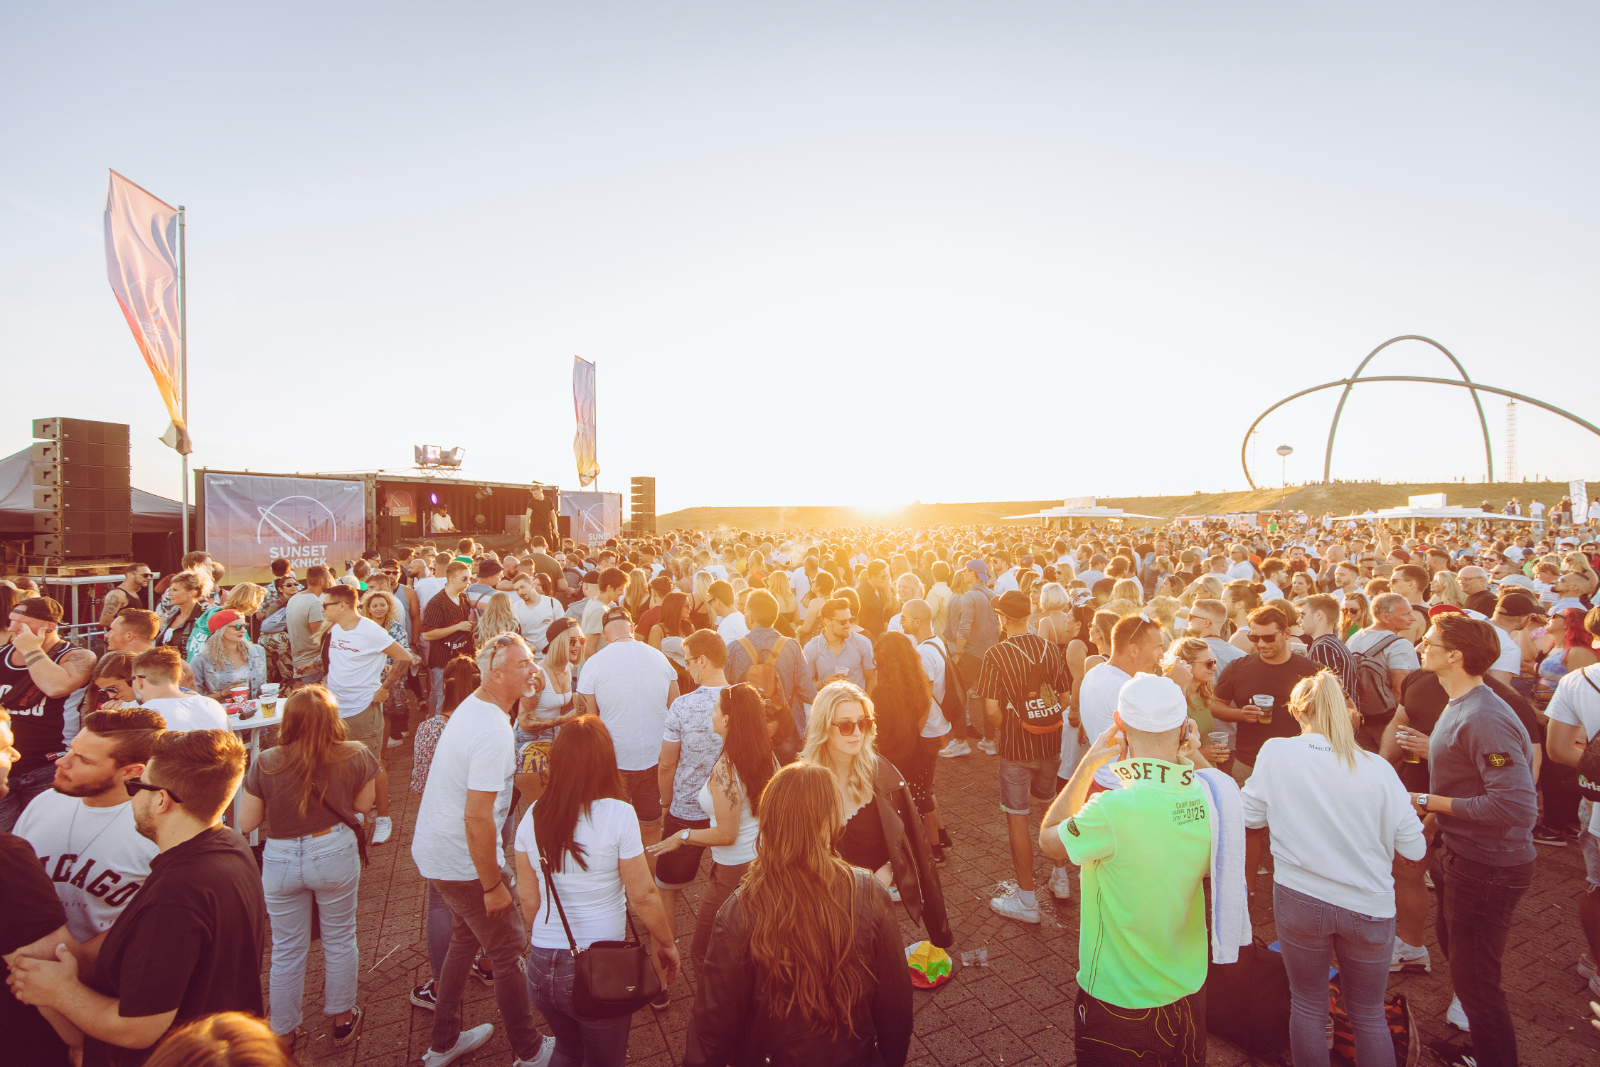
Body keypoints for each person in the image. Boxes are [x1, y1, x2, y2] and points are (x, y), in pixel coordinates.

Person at [8, 729, 267, 1067]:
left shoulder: (176, 894)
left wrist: (61, 991)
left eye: (136, 786)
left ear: (160, 800)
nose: (131, 797)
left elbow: (137, 1029)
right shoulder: (229, 846)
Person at [1040, 673, 1239, 1067]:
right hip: (1188, 989)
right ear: (1185, 729)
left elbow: (1049, 839)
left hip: (1121, 999)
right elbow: (1214, 782)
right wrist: (1193, 752)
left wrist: (1089, 763)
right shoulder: (1213, 797)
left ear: (1119, 723)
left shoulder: (1111, 810)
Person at [1241, 672, 1426, 1067]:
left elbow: (1250, 817)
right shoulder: (1378, 768)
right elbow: (1414, 847)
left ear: (1296, 711)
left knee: (1308, 1004)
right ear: (1350, 714)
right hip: (1369, 905)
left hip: (1299, 898)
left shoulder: (1276, 752)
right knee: (1368, 1013)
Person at [683, 762, 913, 1067]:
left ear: (769, 821)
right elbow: (896, 1006)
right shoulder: (869, 892)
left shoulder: (739, 911)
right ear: (830, 821)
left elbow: (711, 1031)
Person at [410, 633, 553, 1067]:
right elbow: (477, 817)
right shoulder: (491, 729)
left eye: (532, 661)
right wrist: (492, 884)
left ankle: (444, 1042)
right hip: (463, 860)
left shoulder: (476, 706)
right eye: (524, 664)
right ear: (495, 674)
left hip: (438, 851)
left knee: (464, 938)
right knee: (507, 951)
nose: (535, 670)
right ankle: (529, 1050)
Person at [510, 715, 678, 1067]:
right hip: (601, 970)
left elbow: (529, 900)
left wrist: (546, 938)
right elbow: (644, 896)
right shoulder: (619, 815)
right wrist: (666, 943)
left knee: (567, 1051)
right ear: (605, 760)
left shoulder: (533, 817)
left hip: (542, 968)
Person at [1415, 612, 1539, 1067]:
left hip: (1488, 868)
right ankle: (1481, 1052)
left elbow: (1515, 807)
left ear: (1455, 656)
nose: (1420, 647)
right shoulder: (1462, 701)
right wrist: (1435, 825)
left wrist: (1427, 801)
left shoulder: (1485, 716)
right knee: (1460, 962)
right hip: (1460, 855)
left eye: (1429, 642)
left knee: (1478, 985)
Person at [237, 685, 378, 1045]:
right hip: (332, 849)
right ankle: (342, 1017)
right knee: (340, 935)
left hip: (281, 858)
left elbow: (247, 822)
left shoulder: (265, 761)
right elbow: (363, 805)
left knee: (286, 948)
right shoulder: (356, 753)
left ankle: (283, 1032)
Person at [801, 682, 950, 946]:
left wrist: (889, 871)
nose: (857, 733)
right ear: (823, 727)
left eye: (864, 723)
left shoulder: (882, 777)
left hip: (872, 913)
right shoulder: (800, 784)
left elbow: (912, 843)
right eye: (846, 726)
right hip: (819, 917)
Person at [13, 708, 164, 966]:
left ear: (131, 771)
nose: (62, 762)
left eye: (83, 760)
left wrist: (77, 970)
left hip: (106, 975)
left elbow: (152, 925)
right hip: (22, 966)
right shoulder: (45, 802)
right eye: (70, 749)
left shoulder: (157, 831)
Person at [647, 683, 776, 974]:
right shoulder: (762, 754)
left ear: (727, 719)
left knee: (703, 953)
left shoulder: (726, 769)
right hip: (757, 860)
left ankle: (717, 1003)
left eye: (716, 709)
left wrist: (682, 836)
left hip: (734, 869)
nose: (712, 714)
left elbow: (727, 834)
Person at [1211, 604, 1323, 894]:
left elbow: (1334, 711)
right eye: (1254, 637)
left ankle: (1300, 890)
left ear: (1286, 634)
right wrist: (1240, 714)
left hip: (1298, 764)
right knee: (1247, 828)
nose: (1261, 644)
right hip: (1249, 762)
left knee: (1299, 828)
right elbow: (1216, 704)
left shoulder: (1310, 671)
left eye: (1268, 637)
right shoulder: (1239, 667)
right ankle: (1246, 890)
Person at [980, 590, 1072, 921]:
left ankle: (1027, 899)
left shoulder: (996, 654)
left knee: (1017, 817)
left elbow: (991, 709)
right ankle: (1060, 877)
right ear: (1030, 615)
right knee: (1050, 808)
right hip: (1050, 741)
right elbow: (1064, 697)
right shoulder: (1049, 647)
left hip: (1017, 746)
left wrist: (1008, 728)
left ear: (1003, 619)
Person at [648, 628, 728, 1004]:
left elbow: (667, 763)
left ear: (703, 661)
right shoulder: (745, 698)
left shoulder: (683, 705)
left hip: (685, 809)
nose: (687, 668)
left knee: (666, 891)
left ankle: (660, 985)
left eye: (689, 661)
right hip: (730, 812)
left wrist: (665, 803)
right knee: (732, 890)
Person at [1, 706, 79, 1067]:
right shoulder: (7, 858)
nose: (15, 755)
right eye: (4, 747)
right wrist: (80, 1042)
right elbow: (45, 972)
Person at [576, 607, 679, 856]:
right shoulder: (659, 658)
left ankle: (616, 877)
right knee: (651, 829)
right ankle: (650, 879)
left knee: (611, 830)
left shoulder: (594, 663)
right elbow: (676, 710)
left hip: (615, 760)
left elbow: (588, 721)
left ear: (605, 635)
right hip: (655, 757)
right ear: (631, 628)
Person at [0, 596, 95, 830]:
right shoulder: (2, 654)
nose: (12, 628)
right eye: (11, 621)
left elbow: (56, 687)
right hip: (5, 767)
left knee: (46, 835)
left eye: (21, 623)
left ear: (49, 626)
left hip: (50, 766)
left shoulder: (77, 656)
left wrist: (31, 648)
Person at [1544, 606, 1600, 997]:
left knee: (1597, 886)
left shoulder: (1578, 681)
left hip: (1597, 799)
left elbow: (1559, 750)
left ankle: (1595, 960)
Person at [725, 589, 816, 750]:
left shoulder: (734, 648)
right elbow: (808, 693)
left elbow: (724, 691)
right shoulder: (791, 646)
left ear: (750, 617)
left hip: (746, 732)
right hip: (785, 731)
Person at [421, 561, 476, 714]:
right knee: (443, 699)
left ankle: (435, 721)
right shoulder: (436, 603)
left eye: (470, 578)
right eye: (464, 578)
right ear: (451, 579)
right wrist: (458, 627)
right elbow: (427, 634)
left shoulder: (463, 598)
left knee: (458, 696)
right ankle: (438, 727)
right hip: (442, 659)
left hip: (460, 658)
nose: (468, 582)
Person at [130, 648, 229, 731]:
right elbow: (232, 745)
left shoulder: (141, 716)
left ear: (139, 681)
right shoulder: (213, 705)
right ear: (181, 677)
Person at [803, 596, 878, 695]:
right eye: (843, 622)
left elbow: (872, 677)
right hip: (828, 703)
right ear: (827, 622)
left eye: (850, 620)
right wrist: (824, 682)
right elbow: (806, 686)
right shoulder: (812, 648)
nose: (848, 625)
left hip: (855, 703)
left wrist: (865, 702)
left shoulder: (862, 643)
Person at [188, 610, 268, 699]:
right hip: (220, 707)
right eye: (238, 627)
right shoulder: (200, 661)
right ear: (221, 630)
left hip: (254, 707)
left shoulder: (257, 651)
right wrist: (223, 694)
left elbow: (262, 688)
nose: (244, 630)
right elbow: (194, 699)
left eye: (245, 626)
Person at [157, 573, 218, 664]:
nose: (169, 594)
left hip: (192, 669)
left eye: (175, 590)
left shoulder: (204, 618)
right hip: (167, 669)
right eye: (170, 590)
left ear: (191, 593)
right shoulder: (173, 613)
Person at [286, 566, 330, 686]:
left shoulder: (294, 598)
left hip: (301, 665)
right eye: (328, 579)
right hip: (311, 668)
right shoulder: (315, 603)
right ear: (322, 581)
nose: (330, 582)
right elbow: (320, 642)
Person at [97, 565, 153, 632]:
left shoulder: (135, 591)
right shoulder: (118, 594)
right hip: (121, 637)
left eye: (151, 575)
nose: (149, 578)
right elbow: (105, 621)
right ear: (130, 575)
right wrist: (132, 631)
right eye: (145, 575)